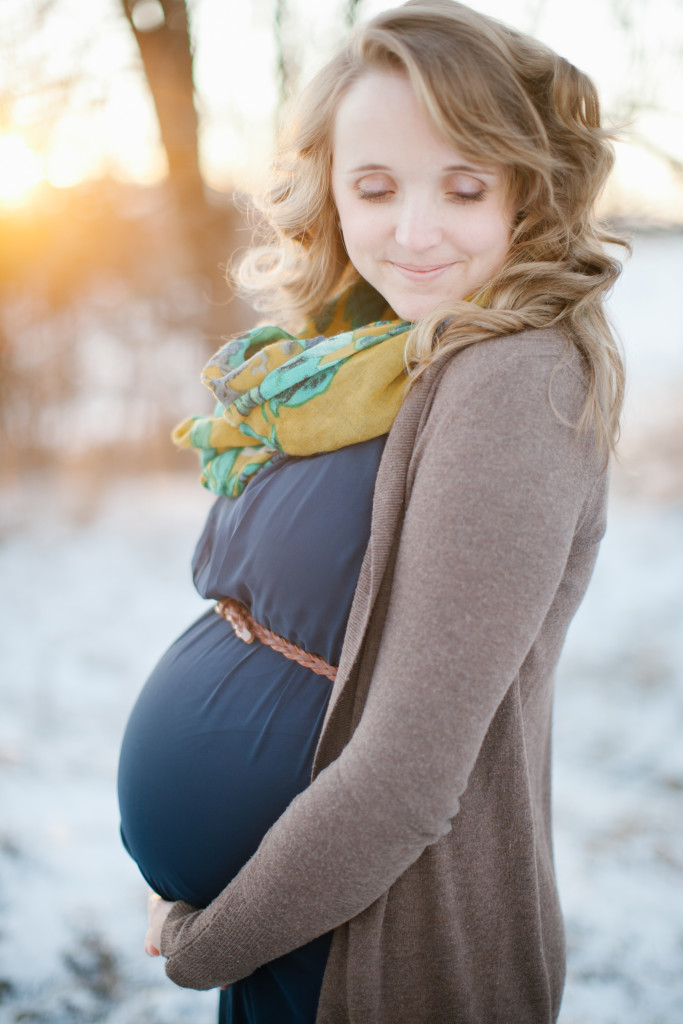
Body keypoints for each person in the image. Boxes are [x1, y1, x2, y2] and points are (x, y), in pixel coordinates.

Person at [117, 1, 626, 1020]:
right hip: (296, 915)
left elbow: (404, 776)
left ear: (523, 194)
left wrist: (204, 942)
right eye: (376, 186)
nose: (415, 230)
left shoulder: (512, 383)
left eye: (463, 185)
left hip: (370, 945)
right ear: (331, 192)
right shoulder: (369, 356)